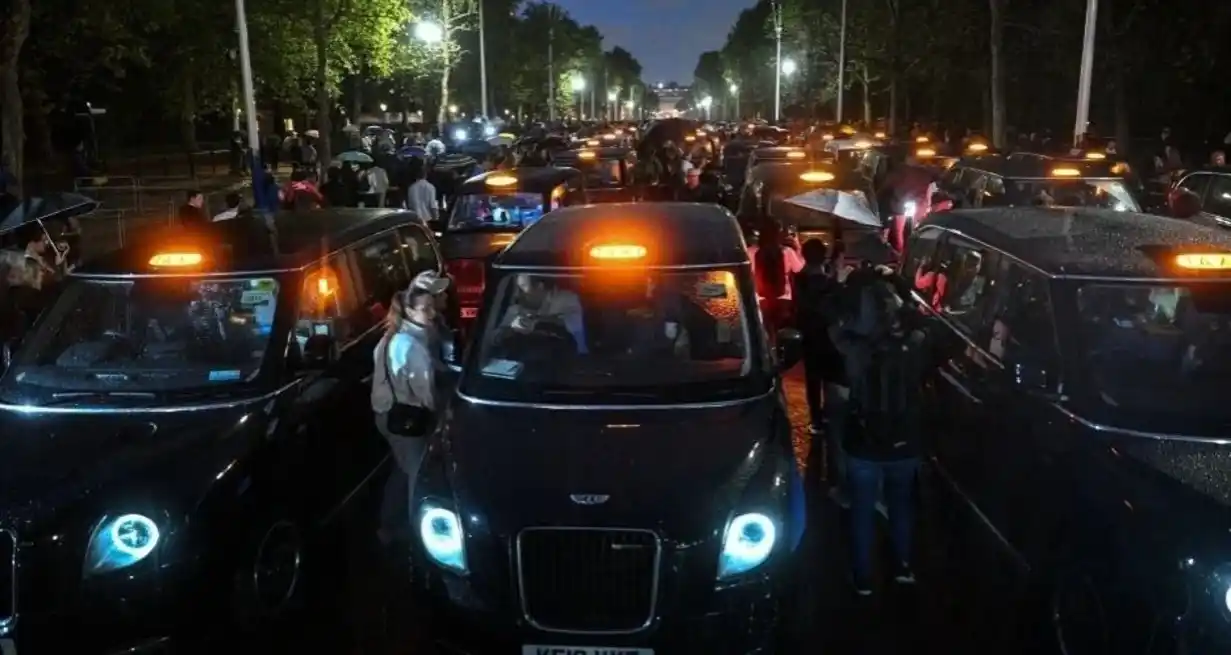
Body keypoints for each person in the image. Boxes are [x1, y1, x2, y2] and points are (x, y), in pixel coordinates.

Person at [830, 266, 931, 595]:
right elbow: (923, 316)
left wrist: (854, 285)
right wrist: (896, 282)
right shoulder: (915, 343)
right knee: (902, 504)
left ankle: (863, 577)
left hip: (864, 440)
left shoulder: (854, 347)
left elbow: (832, 316)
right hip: (905, 440)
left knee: (861, 508)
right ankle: (903, 565)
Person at [371, 277, 450, 545]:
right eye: (426, 308)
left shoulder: (390, 338)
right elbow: (426, 394)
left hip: (387, 416)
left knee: (401, 468)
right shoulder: (413, 347)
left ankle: (387, 525)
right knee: (418, 476)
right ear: (410, 311)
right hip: (408, 419)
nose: (432, 313)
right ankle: (419, 538)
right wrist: (440, 420)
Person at [499, 274, 587, 353]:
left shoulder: (566, 299)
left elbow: (574, 324)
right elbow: (493, 339)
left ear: (539, 286)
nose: (518, 294)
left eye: (523, 287)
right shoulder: (516, 309)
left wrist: (537, 322)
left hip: (571, 361)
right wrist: (510, 330)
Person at [747, 218, 805, 335]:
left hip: (760, 298)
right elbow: (799, 268)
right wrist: (798, 247)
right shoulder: (787, 251)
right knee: (781, 331)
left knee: (763, 331)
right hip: (783, 298)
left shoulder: (750, 252)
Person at [405, 158, 438, 223]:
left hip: (415, 219)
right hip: (428, 219)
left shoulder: (411, 188)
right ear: (425, 175)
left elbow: (409, 205)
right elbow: (432, 205)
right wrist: (435, 218)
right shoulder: (430, 187)